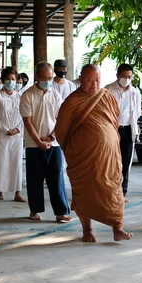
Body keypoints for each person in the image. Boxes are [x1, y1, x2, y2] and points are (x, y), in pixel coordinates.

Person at [55, 64, 132, 242]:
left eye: (97, 80)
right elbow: (62, 131)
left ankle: (117, 228)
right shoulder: (72, 101)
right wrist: (74, 149)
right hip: (83, 158)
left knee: (113, 189)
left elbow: (114, 119)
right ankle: (87, 230)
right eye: (90, 80)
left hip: (109, 157)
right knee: (85, 193)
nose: (94, 84)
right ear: (80, 79)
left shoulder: (106, 96)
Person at [20, 62, 71, 222]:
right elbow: (27, 122)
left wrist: (51, 138)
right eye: (45, 78)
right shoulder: (27, 95)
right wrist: (39, 141)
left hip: (53, 145)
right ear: (36, 77)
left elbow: (60, 119)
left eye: (50, 78)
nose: (48, 81)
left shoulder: (55, 95)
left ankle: (61, 212)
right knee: (35, 179)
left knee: (56, 179)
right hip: (33, 145)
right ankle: (34, 210)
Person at [104, 64, 141, 201]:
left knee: (126, 162)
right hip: (112, 129)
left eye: (129, 77)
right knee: (111, 162)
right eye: (124, 76)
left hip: (128, 130)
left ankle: (121, 193)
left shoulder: (135, 92)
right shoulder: (108, 90)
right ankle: (109, 192)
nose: (127, 79)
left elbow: (137, 112)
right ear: (117, 76)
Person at [0, 67, 25, 202]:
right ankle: (0, 190)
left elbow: (25, 115)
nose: (10, 82)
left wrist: (17, 129)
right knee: (1, 162)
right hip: (1, 135)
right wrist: (5, 129)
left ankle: (17, 192)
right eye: (7, 79)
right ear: (3, 80)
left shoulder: (20, 96)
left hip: (17, 136)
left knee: (16, 163)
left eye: (13, 79)